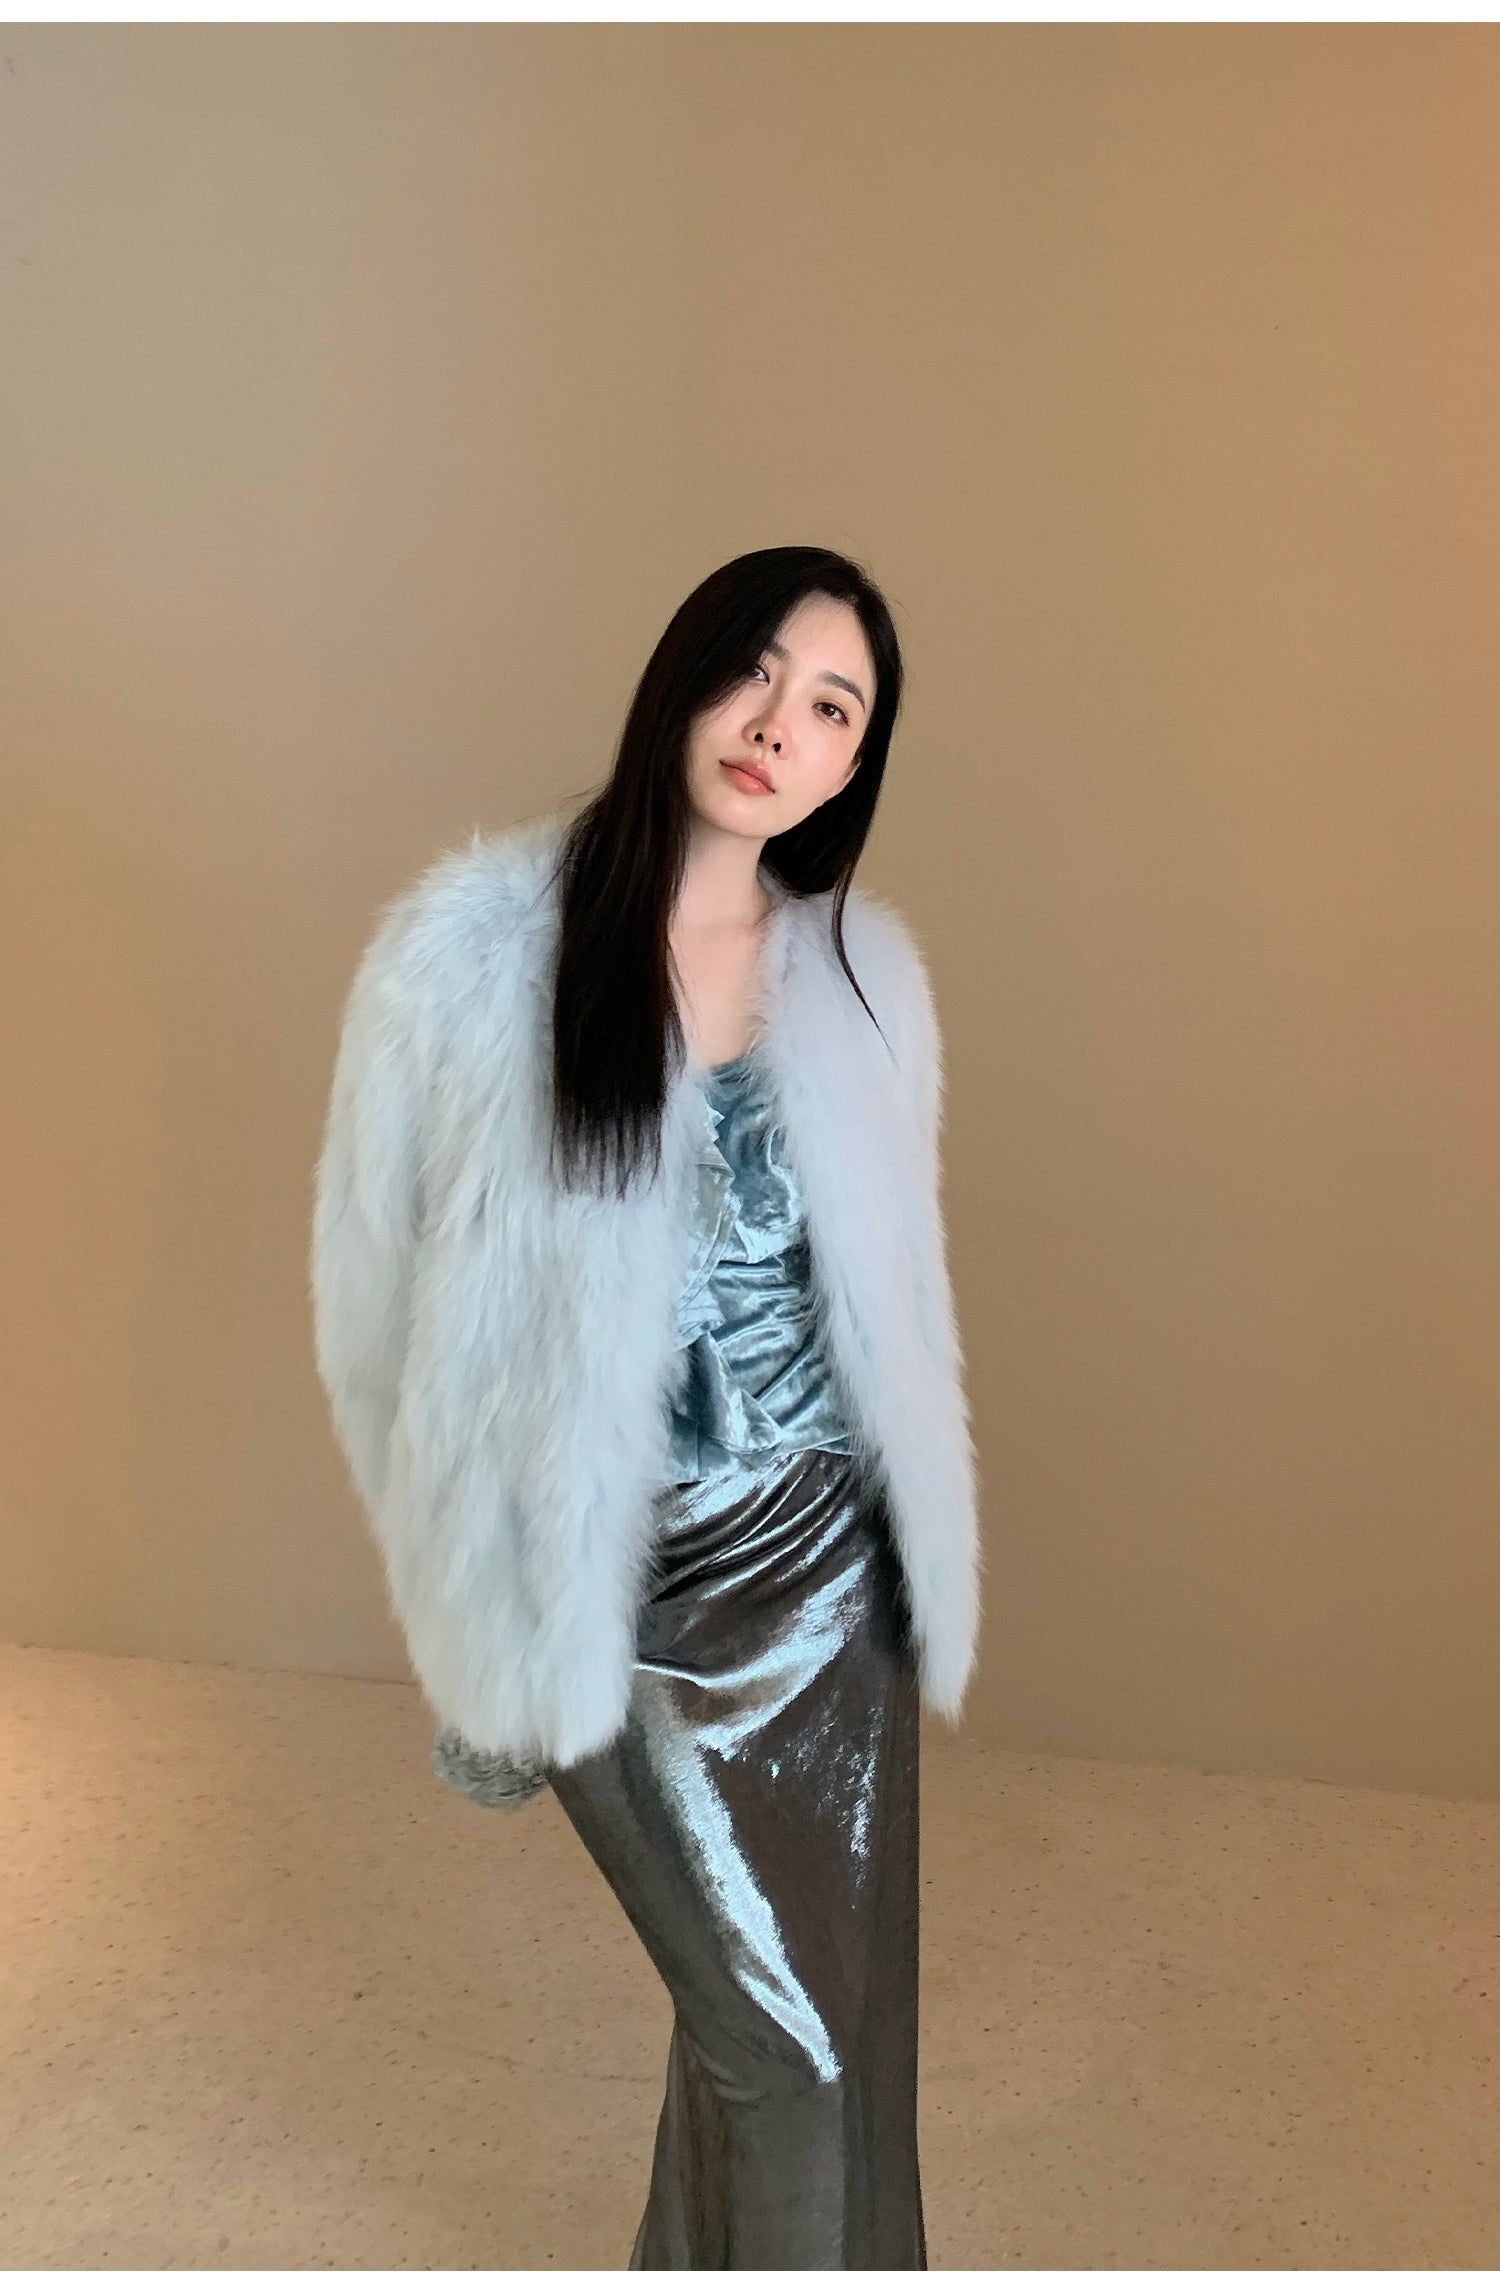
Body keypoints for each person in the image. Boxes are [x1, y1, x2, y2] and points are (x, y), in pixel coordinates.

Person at [310, 544, 981, 2268]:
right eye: (755, 669)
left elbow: (882, 1311)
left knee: (830, 2025)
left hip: (828, 1580)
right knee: (781, 2041)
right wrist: (463, 1595)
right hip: (601, 1582)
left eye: (831, 707)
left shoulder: (864, 979)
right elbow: (375, 1312)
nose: (777, 724)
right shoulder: (473, 957)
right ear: (687, 668)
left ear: (854, 764)